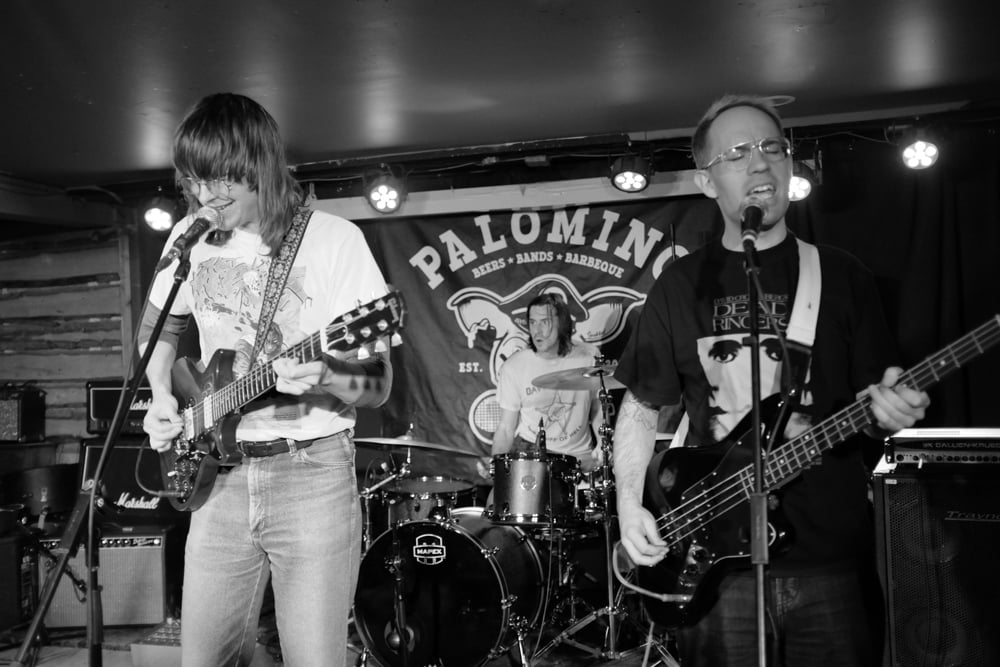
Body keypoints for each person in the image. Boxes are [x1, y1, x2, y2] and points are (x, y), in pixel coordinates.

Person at [612, 94, 929, 666]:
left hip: (830, 560)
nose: (760, 162)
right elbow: (639, 408)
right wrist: (630, 506)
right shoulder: (679, 285)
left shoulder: (842, 275)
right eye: (737, 153)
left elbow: (875, 403)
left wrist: (889, 414)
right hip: (714, 564)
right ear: (706, 181)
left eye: (772, 147)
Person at [140, 93, 392, 667]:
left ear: (261, 165)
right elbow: (157, 332)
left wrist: (327, 373)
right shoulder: (188, 238)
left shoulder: (334, 240)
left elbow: (379, 383)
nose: (206, 195)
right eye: (195, 180)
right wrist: (159, 395)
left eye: (222, 179)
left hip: (311, 475)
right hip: (216, 475)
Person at [491, 293, 606, 473]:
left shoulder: (589, 356)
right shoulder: (514, 366)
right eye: (532, 322)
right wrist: (496, 467)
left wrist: (602, 443)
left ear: (562, 323)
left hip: (580, 457)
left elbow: (598, 408)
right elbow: (506, 428)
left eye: (544, 322)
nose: (537, 330)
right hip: (533, 454)